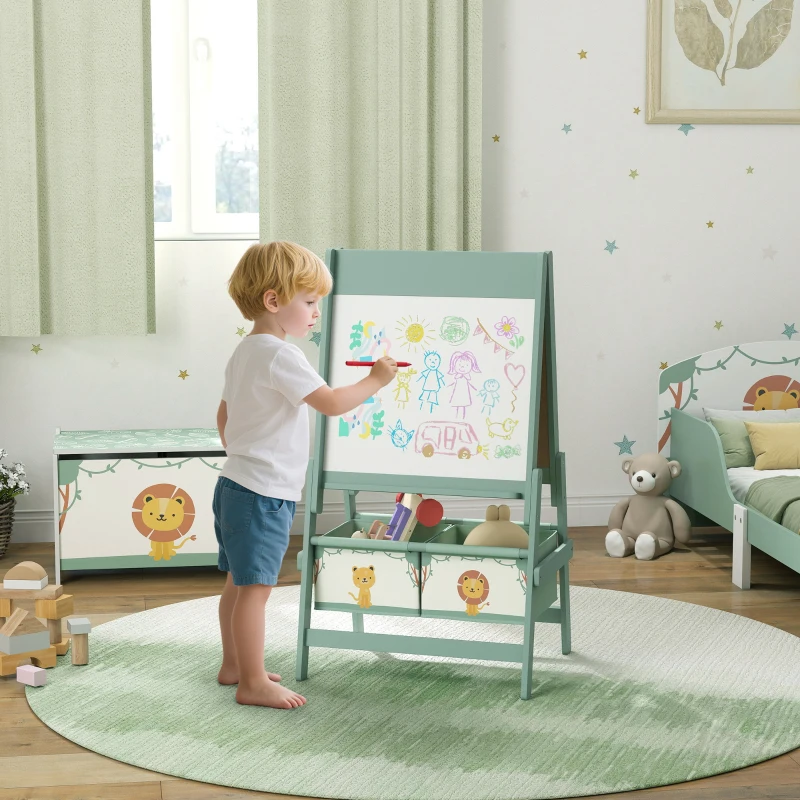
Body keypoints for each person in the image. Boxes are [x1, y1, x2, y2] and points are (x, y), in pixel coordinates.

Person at [214, 241, 397, 709]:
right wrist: (375, 380)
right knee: (256, 591)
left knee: (238, 582)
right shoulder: (282, 355)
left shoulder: (244, 352)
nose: (316, 312)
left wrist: (240, 451)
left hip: (234, 485)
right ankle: (252, 684)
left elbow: (224, 414)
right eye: (310, 302)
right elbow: (333, 403)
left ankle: (235, 664)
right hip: (262, 493)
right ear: (275, 301)